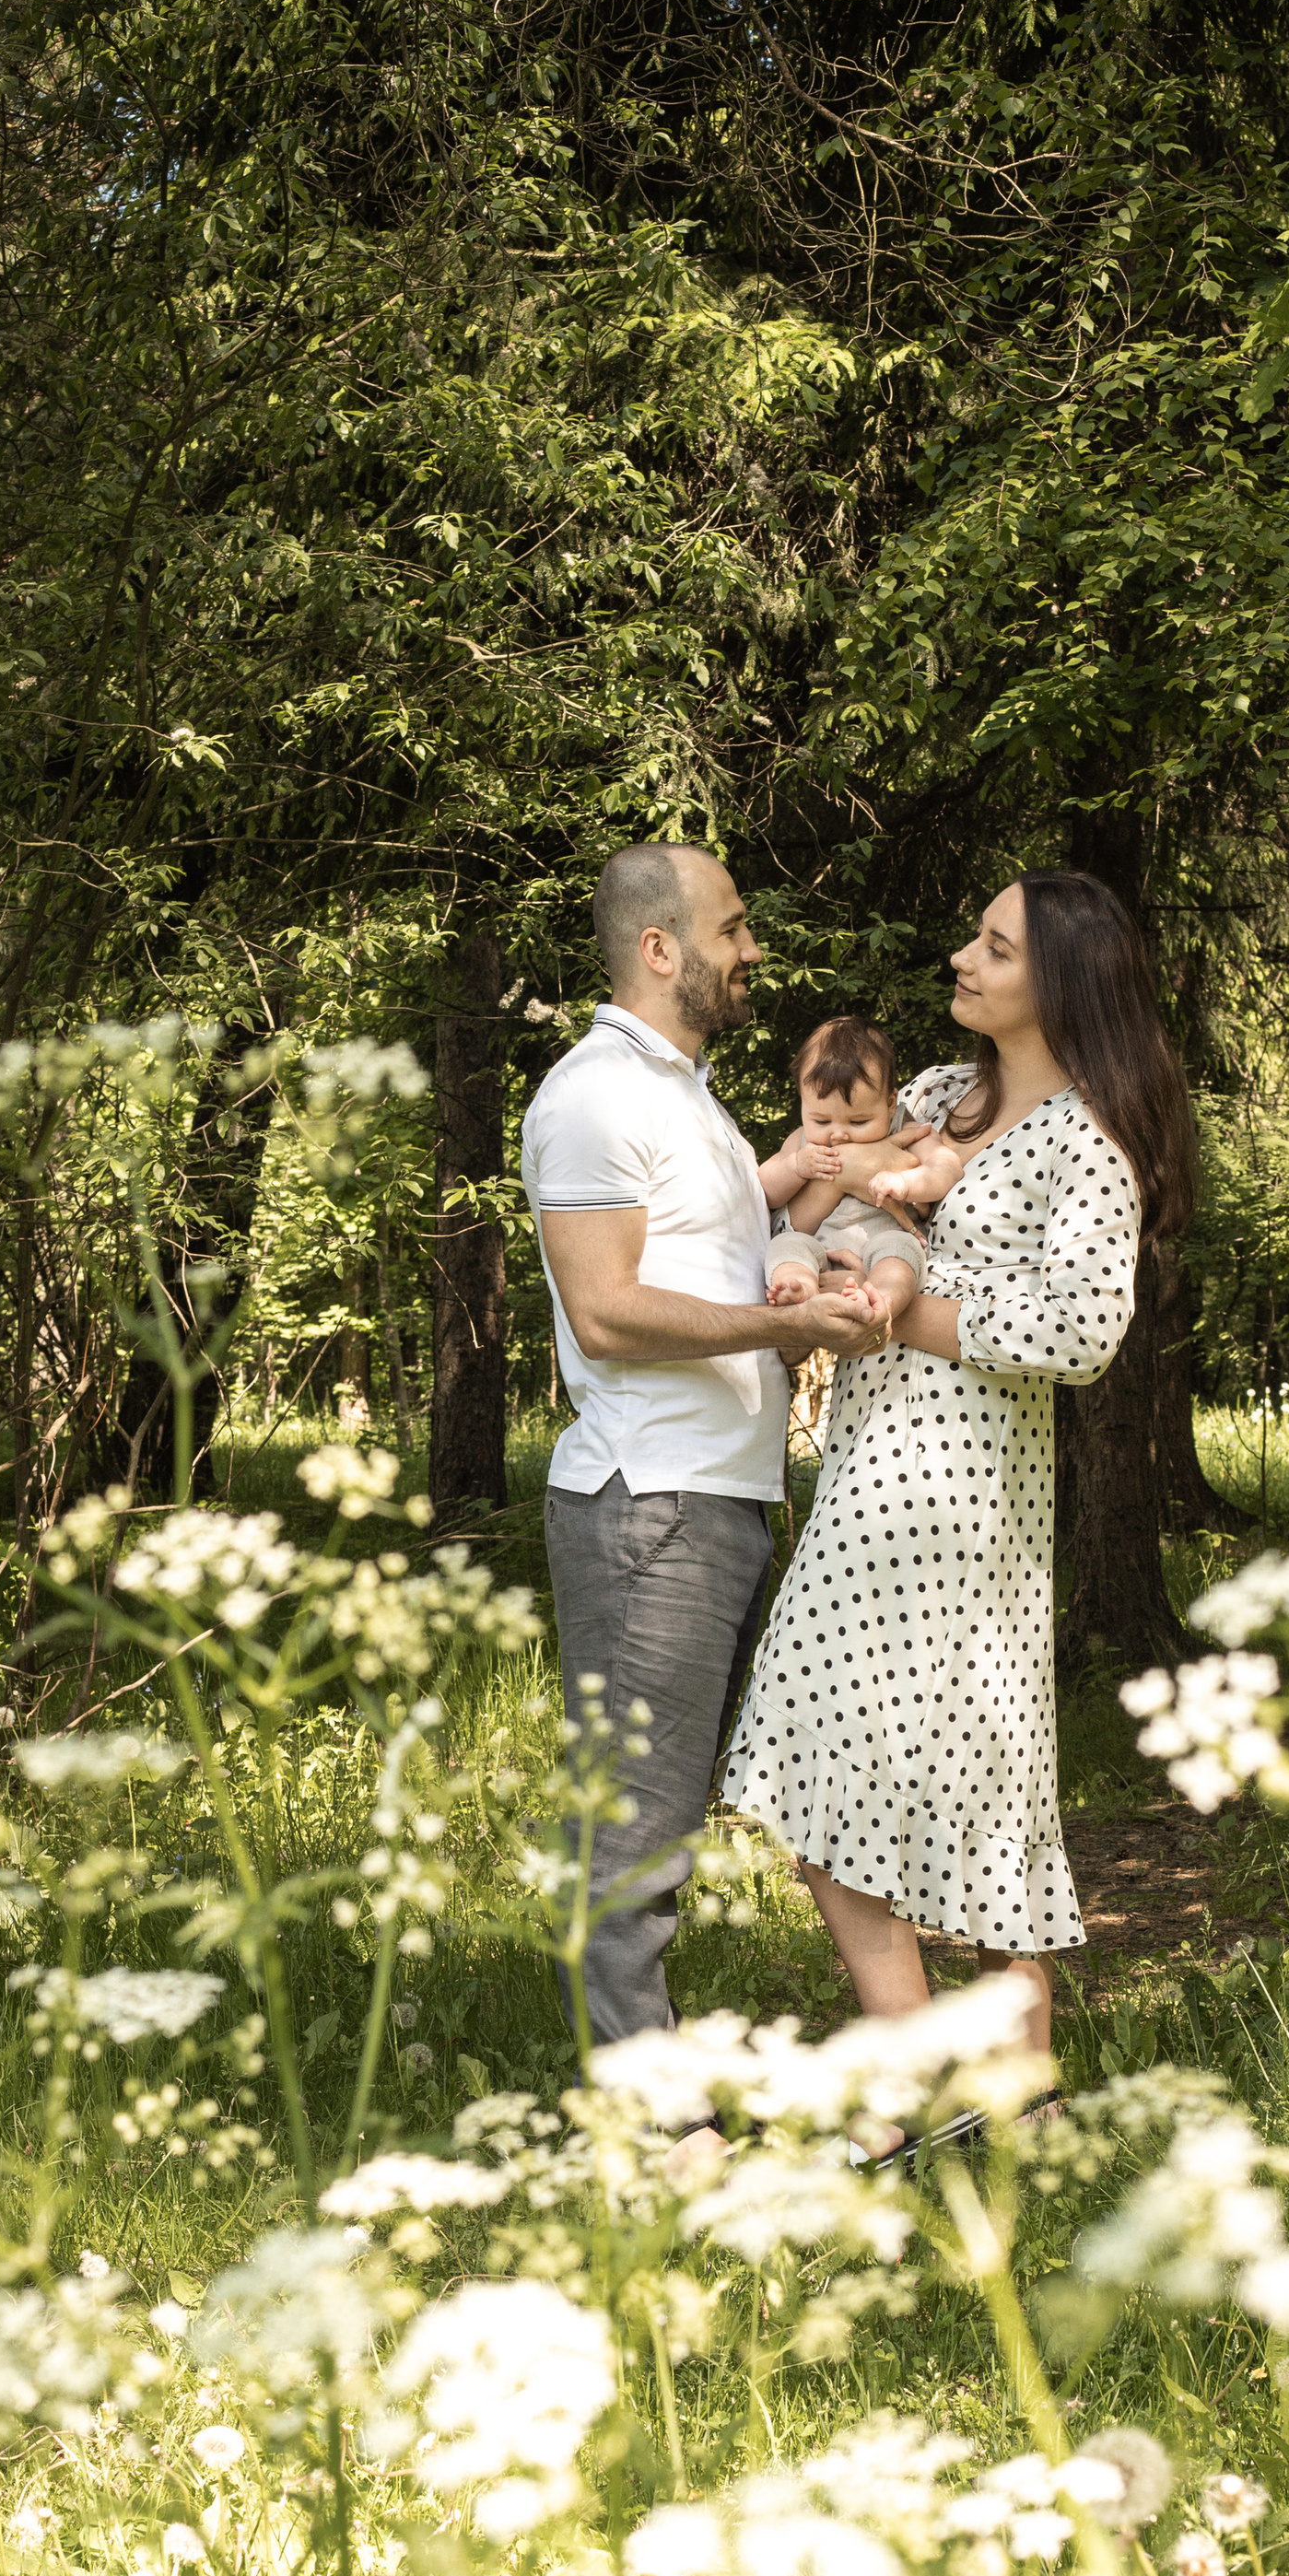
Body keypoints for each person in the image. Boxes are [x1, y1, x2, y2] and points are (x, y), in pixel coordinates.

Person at [721, 867, 1197, 2084]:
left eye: (993, 947)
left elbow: (1084, 1333)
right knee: (852, 1769)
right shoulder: (936, 1093)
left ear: (1060, 985)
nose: (963, 960)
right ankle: (985, 2096)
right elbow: (824, 1200)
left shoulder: (1085, 1142)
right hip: (871, 1461)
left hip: (963, 1487)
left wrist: (910, 1308)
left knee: (924, 1770)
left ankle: (985, 2099)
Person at [520, 844, 888, 2050]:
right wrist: (782, 1322)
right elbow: (607, 1312)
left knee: (661, 1823)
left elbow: (715, 1288)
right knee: (634, 1839)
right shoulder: (593, 1097)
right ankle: (647, 2125)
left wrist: (805, 1289)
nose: (751, 950)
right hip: (648, 1508)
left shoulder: (689, 1102)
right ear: (659, 948)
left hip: (719, 1501)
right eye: (731, 928)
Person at [760, 1015, 940, 1329]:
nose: (838, 1134)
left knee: (901, 1253)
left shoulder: (907, 1127)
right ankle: (799, 1289)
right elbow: (765, 1190)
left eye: (858, 1122)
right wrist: (795, 1166)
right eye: (821, 1121)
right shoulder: (801, 1142)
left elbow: (945, 1169)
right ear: (803, 1104)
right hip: (819, 1249)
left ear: (889, 1103)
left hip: (885, 1240)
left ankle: (880, 1300)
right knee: (786, 1247)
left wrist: (905, 1182)